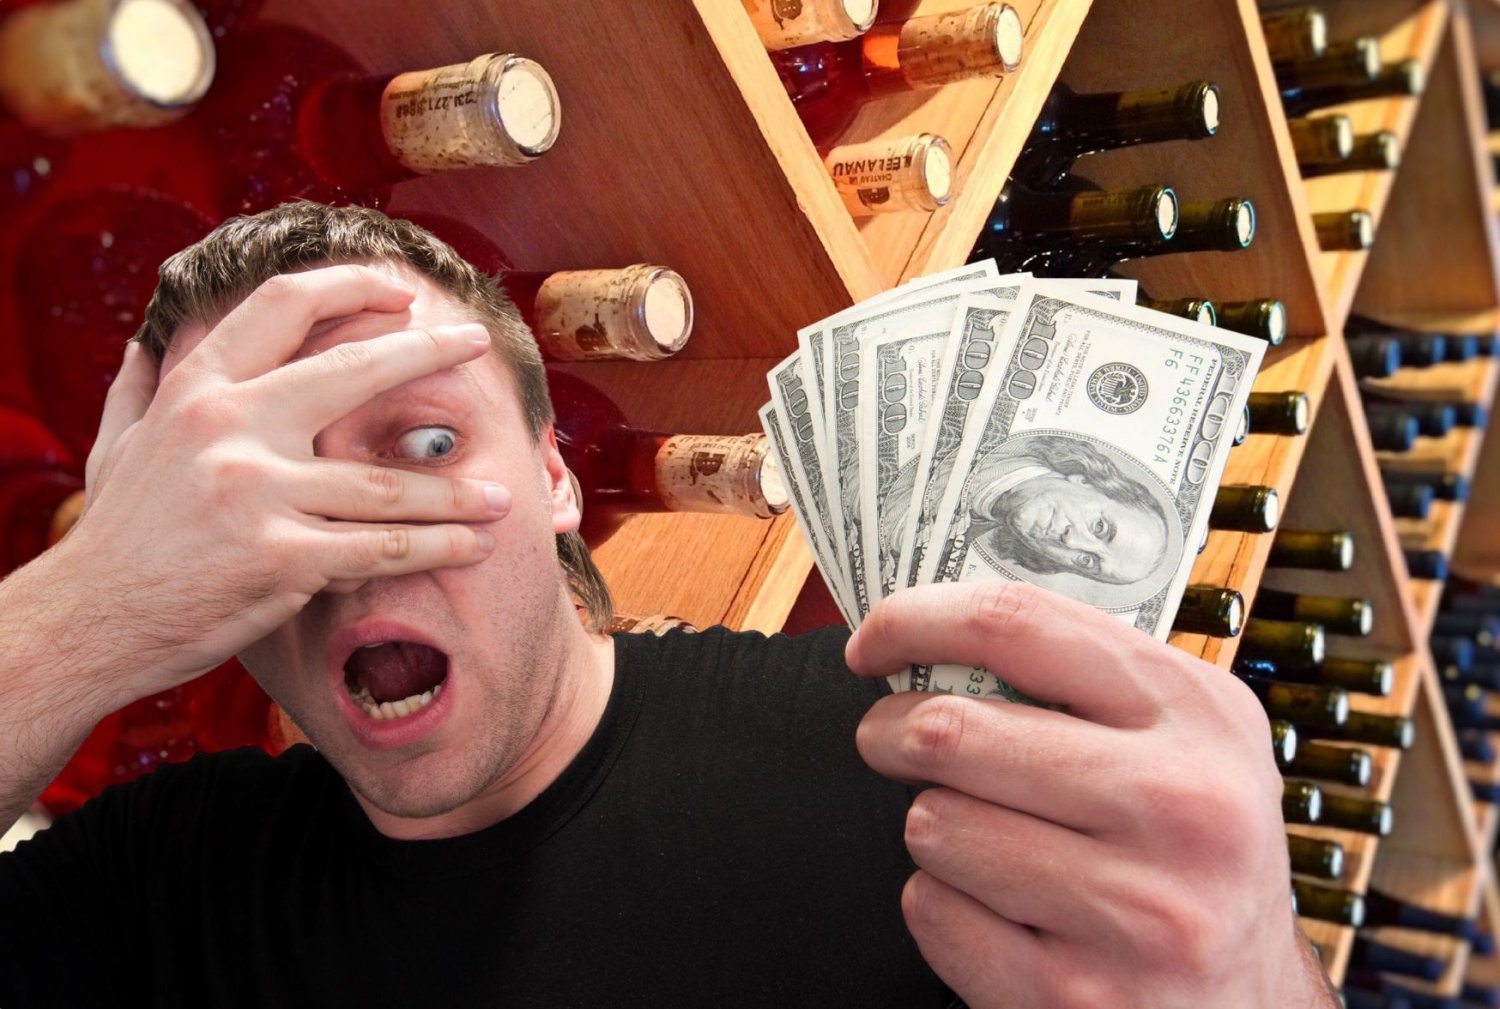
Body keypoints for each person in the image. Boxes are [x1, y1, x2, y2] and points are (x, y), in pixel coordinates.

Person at [0, 203, 1336, 1008]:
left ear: (555, 477)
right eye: (256, 495)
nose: (350, 541)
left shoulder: (925, 754)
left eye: (425, 445)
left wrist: (1262, 986)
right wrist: (81, 612)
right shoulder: (164, 886)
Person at [964, 433, 1171, 587]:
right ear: (1087, 481)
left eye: (1087, 561)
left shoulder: (957, 538)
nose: (1071, 542)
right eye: (1099, 527)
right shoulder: (1004, 442)